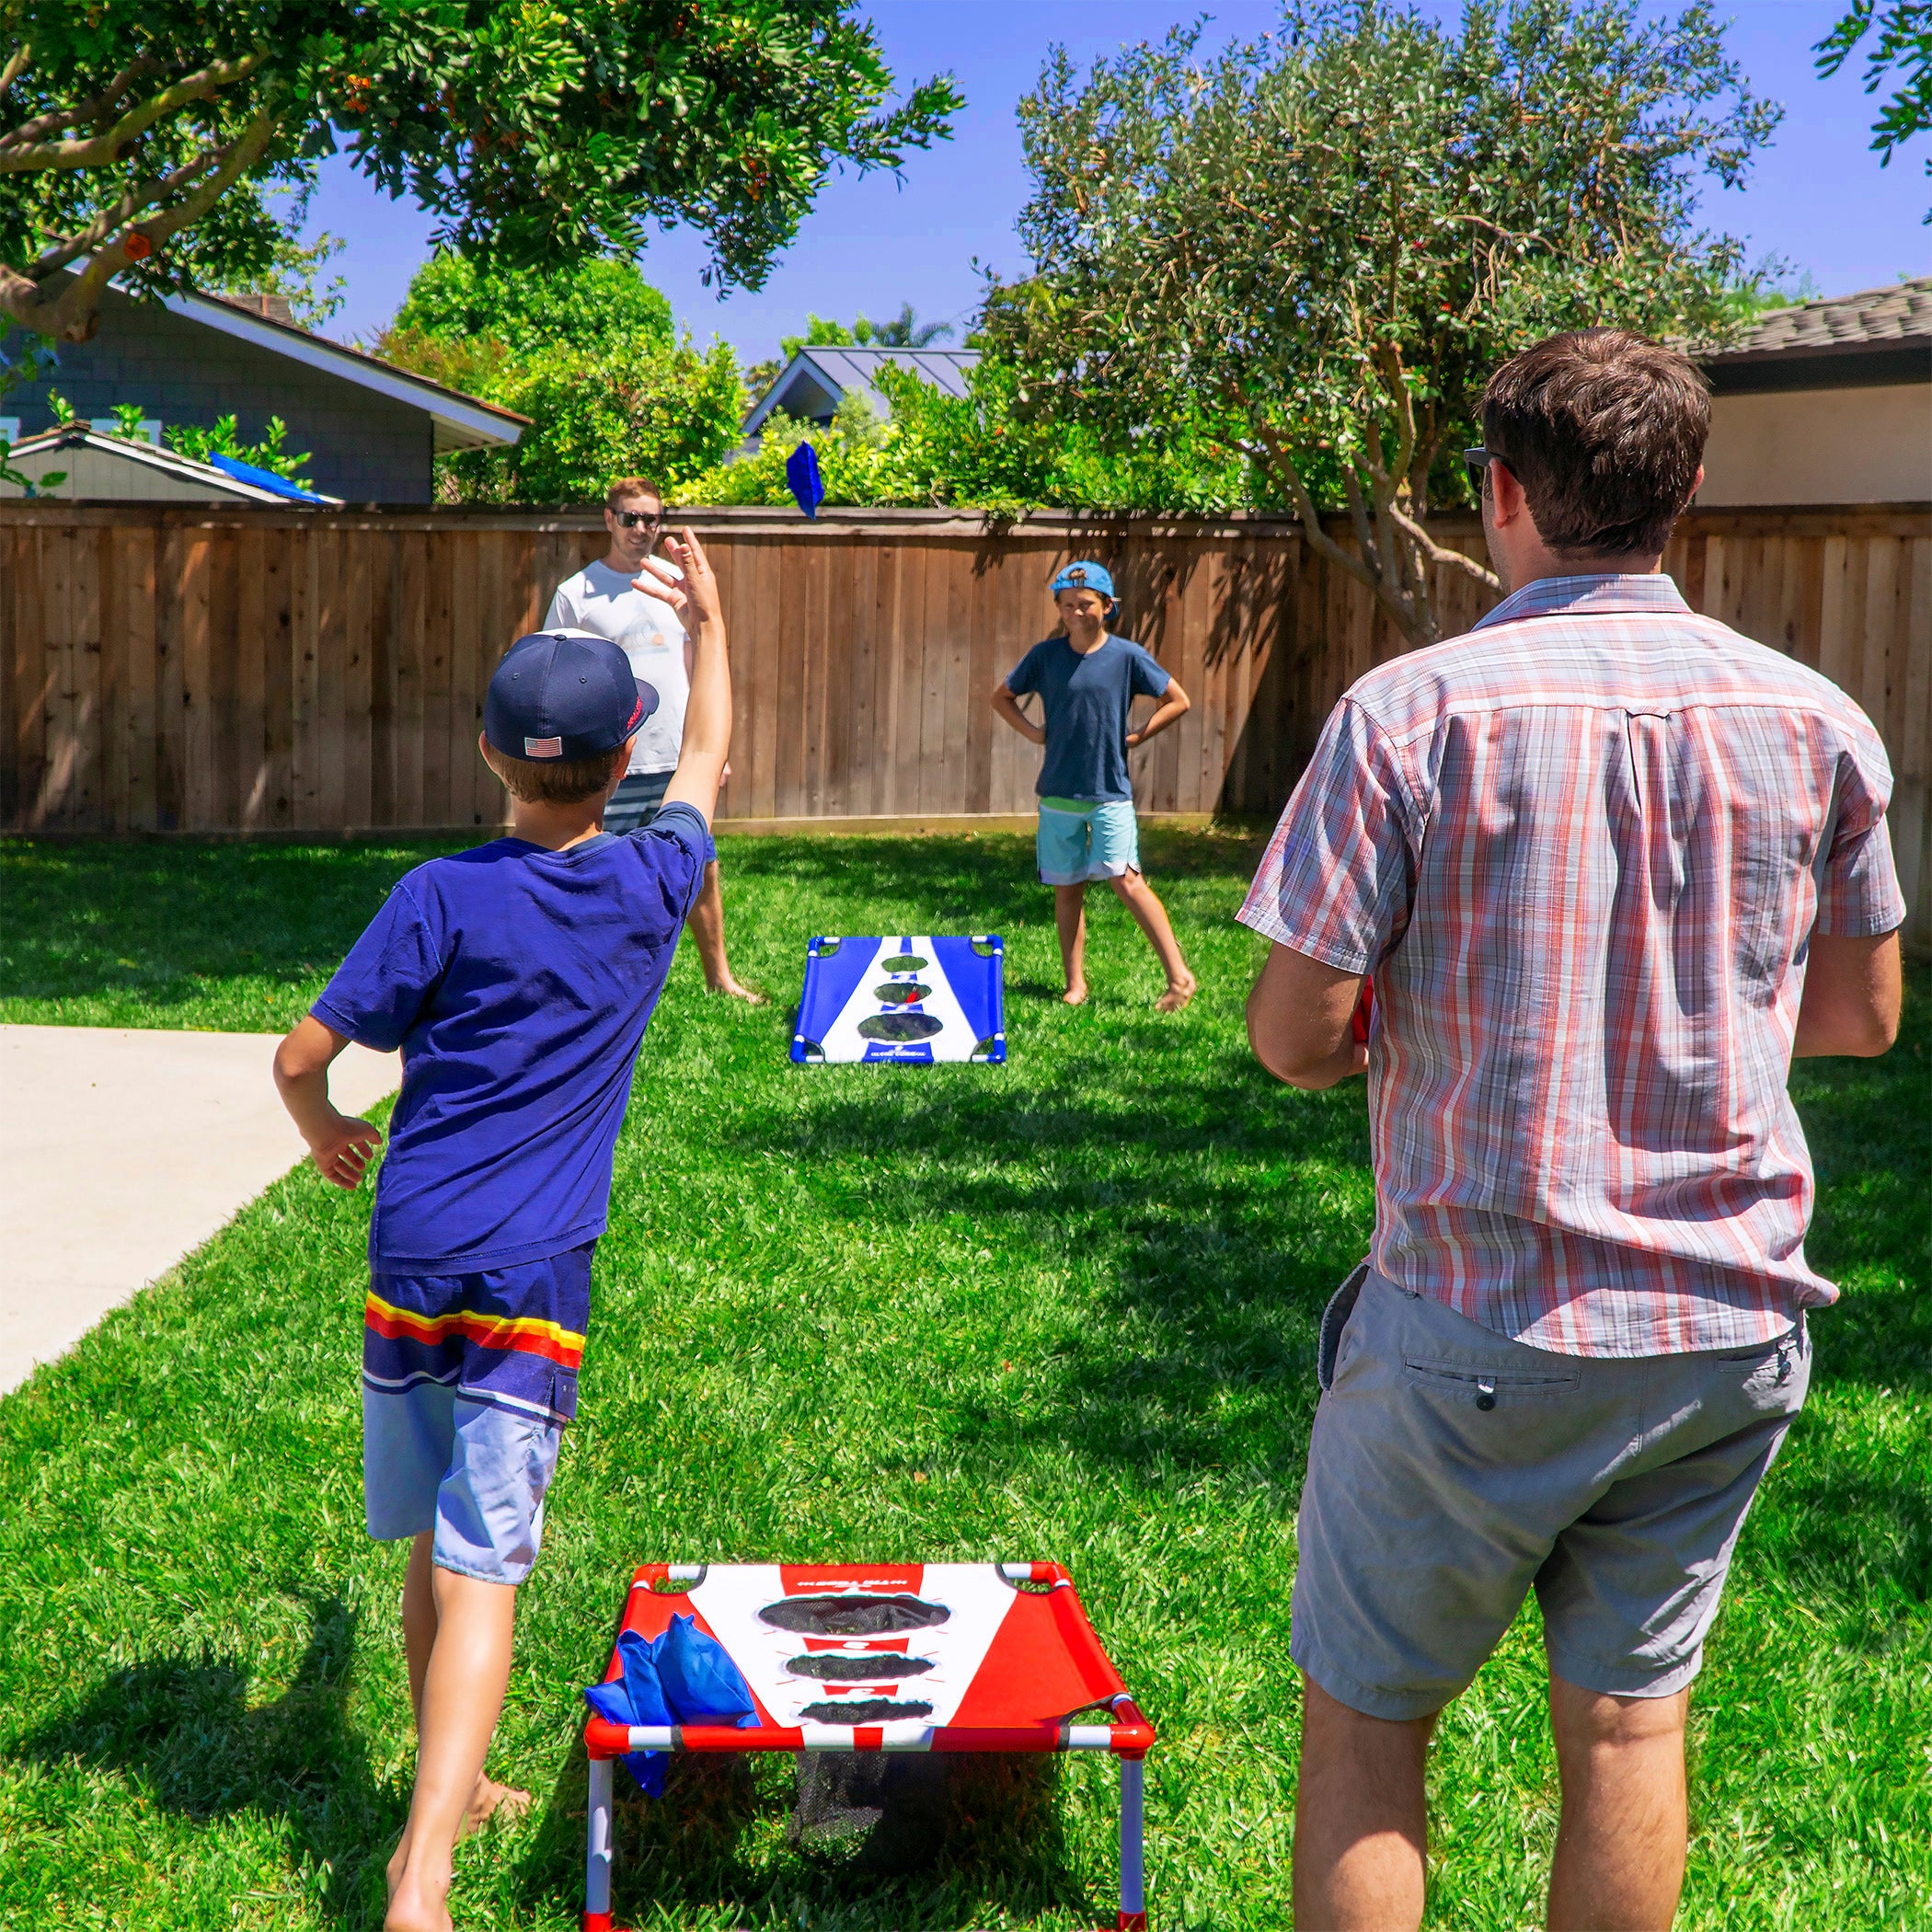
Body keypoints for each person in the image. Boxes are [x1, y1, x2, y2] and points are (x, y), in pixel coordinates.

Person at [1238, 329, 1904, 1932]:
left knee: (1370, 1719)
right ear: (1683, 492)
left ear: (1504, 494)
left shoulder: (1410, 713)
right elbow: (1863, 1018)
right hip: (1725, 1328)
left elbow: (1294, 1039)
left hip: (1479, 1318)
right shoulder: (1814, 718)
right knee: (1629, 1725)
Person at [271, 532, 731, 1932]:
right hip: (532, 1276)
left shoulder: (437, 894)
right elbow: (712, 758)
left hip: (409, 1254)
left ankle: (449, 1785)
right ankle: (426, 1876)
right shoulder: (653, 886)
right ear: (625, 744)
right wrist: (710, 620)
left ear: (489, 752)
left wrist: (328, 1136)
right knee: (482, 1572)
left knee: (426, 1545)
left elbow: (301, 1057)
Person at [545, 474, 762, 1003]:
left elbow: (699, 658)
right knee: (601, 869)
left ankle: (719, 977)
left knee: (700, 864)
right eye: (630, 518)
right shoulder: (576, 594)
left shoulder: (675, 583)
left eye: (651, 518)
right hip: (613, 762)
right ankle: (601, 986)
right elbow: (558, 671)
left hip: (679, 756)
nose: (641, 528)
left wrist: (716, 751)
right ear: (608, 520)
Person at [992, 561, 1198, 1011]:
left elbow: (1177, 700)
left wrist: (1140, 735)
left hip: (1109, 793)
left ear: (1107, 606)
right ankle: (1075, 984)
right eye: (1067, 606)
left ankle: (1180, 978)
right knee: (1068, 888)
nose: (1075, 613)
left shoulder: (1127, 656)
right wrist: (1033, 732)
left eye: (1085, 605)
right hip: (1058, 794)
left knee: (1126, 880)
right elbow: (1001, 697)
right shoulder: (1045, 657)